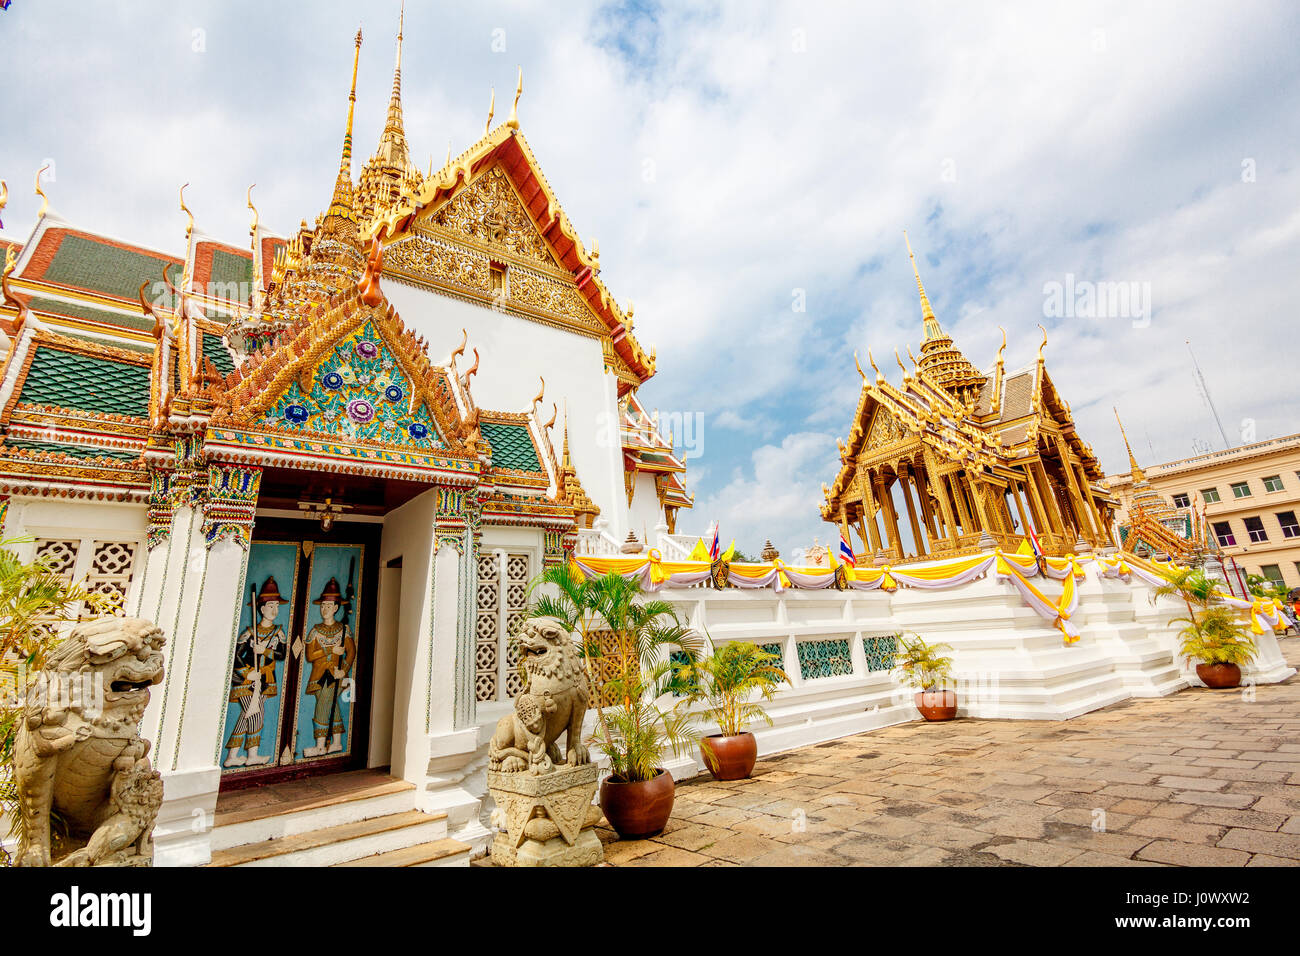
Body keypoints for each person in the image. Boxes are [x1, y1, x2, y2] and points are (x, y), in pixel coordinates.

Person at [224, 577, 290, 768]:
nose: (274, 610)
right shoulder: (250, 632)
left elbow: (282, 654)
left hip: (266, 678)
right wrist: (246, 674)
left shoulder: (278, 633)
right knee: (254, 714)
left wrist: (266, 651)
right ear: (261, 609)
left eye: (277, 606)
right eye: (270, 606)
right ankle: (246, 755)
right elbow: (236, 655)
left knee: (249, 715)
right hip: (248, 679)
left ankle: (237, 755)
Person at [302, 577, 356, 757]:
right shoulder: (316, 631)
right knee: (330, 705)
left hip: (335, 674)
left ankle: (320, 746)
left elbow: (351, 652)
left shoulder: (343, 630)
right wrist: (329, 650)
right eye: (322, 605)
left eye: (328, 606)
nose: (324, 609)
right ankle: (338, 743)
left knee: (323, 707)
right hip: (318, 675)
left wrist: (344, 669)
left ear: (336, 608)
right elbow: (310, 655)